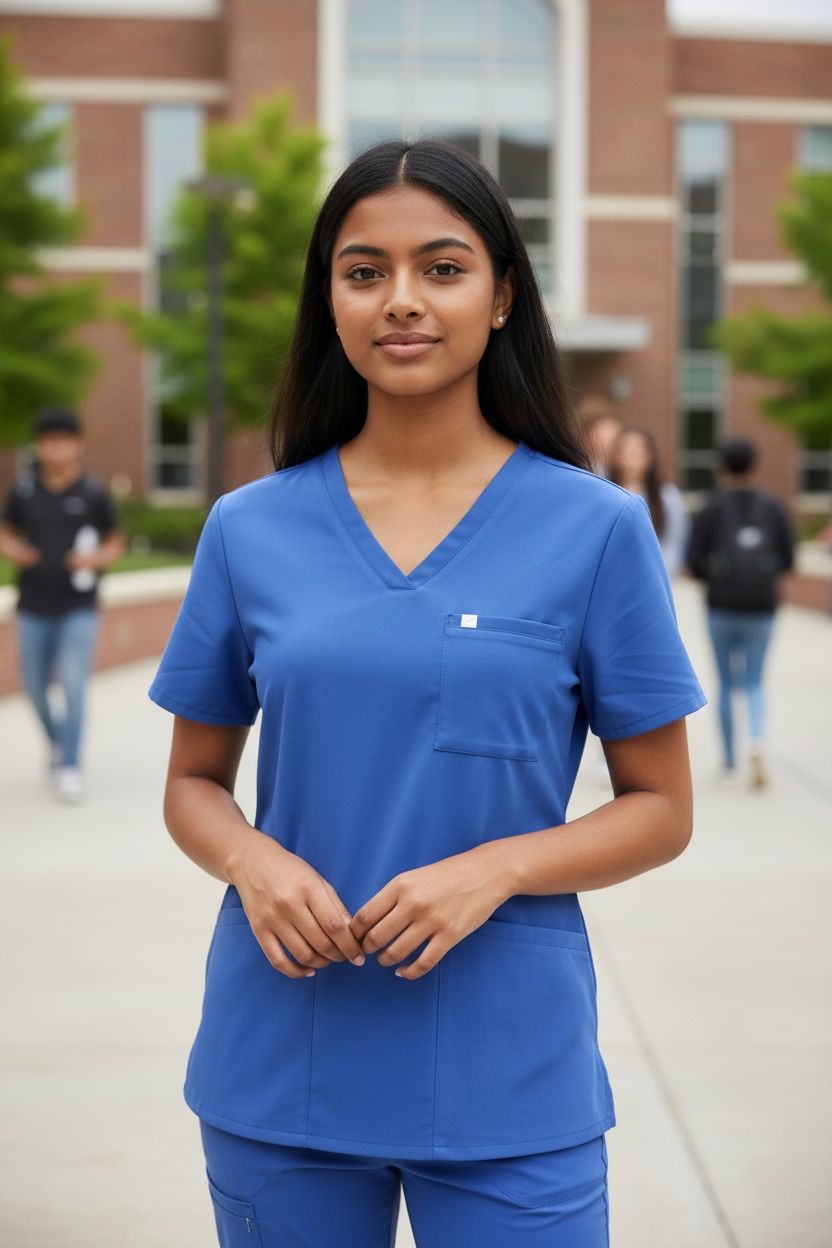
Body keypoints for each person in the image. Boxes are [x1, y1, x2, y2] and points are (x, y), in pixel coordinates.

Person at [147, 138, 708, 1248]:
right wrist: (251, 861)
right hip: (281, 1063)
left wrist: (495, 868)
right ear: (332, 299)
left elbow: (662, 807)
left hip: (511, 1068)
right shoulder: (246, 530)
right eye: (364, 272)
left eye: (442, 268)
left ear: (502, 295)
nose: (401, 301)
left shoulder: (594, 529)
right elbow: (193, 784)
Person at [0, 406, 124, 802]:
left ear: (77, 444)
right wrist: (15, 550)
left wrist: (95, 560)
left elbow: (114, 541)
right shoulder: (23, 491)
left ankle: (70, 764)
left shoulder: (93, 493)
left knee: (72, 685)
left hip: (78, 607)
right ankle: (57, 743)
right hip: (33, 605)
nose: (55, 449)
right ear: (39, 446)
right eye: (48, 442)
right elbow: (5, 533)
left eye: (63, 441)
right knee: (34, 689)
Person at [686, 436, 794, 789]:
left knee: (726, 682)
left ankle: (730, 759)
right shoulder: (773, 506)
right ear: (754, 465)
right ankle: (757, 739)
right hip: (761, 607)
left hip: (721, 605)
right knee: (754, 680)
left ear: (723, 466)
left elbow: (693, 560)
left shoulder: (712, 505)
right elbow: (789, 559)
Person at [607, 425, 690, 580]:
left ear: (650, 455)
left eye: (639, 449)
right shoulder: (605, 494)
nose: (633, 455)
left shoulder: (668, 497)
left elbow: (675, 544)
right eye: (626, 449)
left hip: (654, 579)